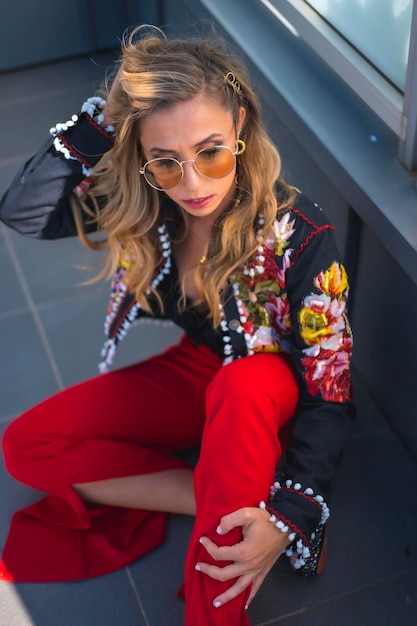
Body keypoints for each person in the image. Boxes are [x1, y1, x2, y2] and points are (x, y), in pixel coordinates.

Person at [0, 24, 355, 626]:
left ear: (240, 125)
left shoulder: (301, 234)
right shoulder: (149, 203)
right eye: (166, 162)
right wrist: (107, 121)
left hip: (268, 385)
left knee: (242, 387)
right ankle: (223, 496)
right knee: (26, 444)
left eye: (210, 151)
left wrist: (292, 512)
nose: (193, 184)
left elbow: (331, 392)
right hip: (199, 369)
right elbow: (25, 210)